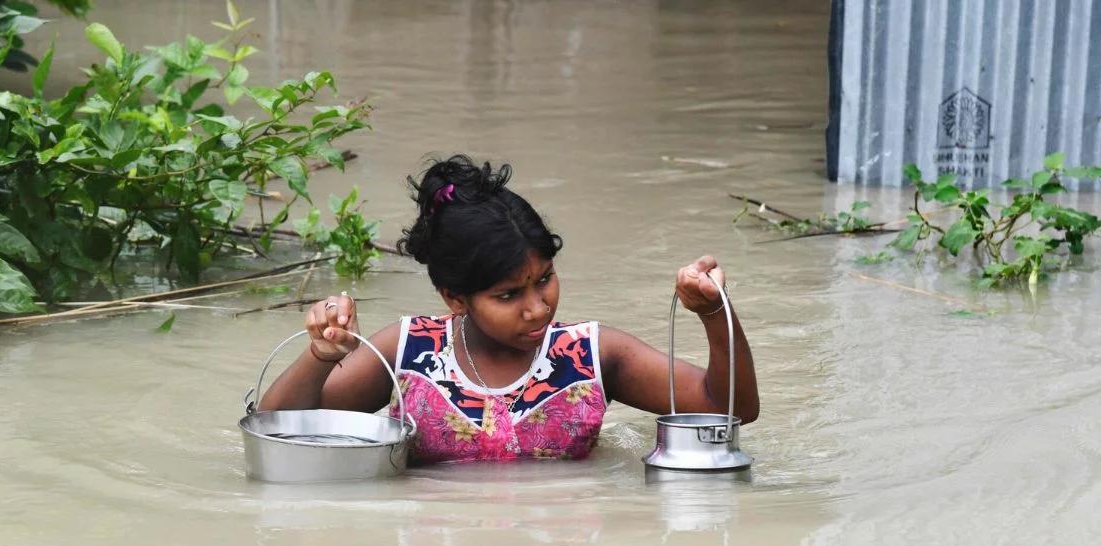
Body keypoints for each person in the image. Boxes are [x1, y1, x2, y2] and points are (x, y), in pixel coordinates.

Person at [258, 155, 758, 463]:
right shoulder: (407, 352)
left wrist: (715, 313)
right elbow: (279, 431)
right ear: (454, 298)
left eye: (544, 280)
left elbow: (730, 408)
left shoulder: (591, 356)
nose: (538, 309)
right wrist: (320, 356)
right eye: (508, 295)